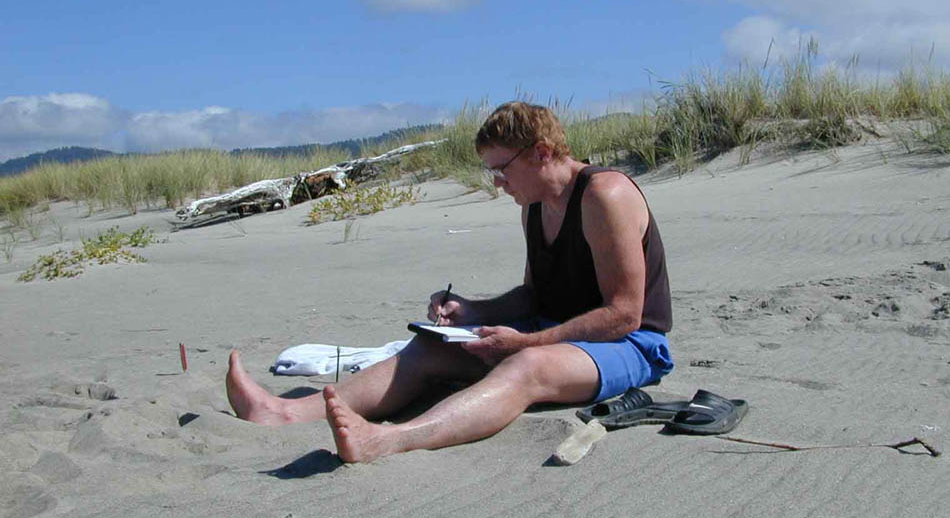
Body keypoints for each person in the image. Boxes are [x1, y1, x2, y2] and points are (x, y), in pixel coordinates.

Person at [226, 102, 673, 462]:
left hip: (632, 346)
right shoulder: (535, 205)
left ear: (541, 153)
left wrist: (524, 344)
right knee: (429, 348)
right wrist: (474, 310)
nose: (498, 184)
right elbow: (535, 295)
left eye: (502, 169)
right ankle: (282, 411)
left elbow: (624, 314)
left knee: (525, 368)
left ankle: (389, 440)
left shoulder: (604, 195)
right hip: (556, 332)